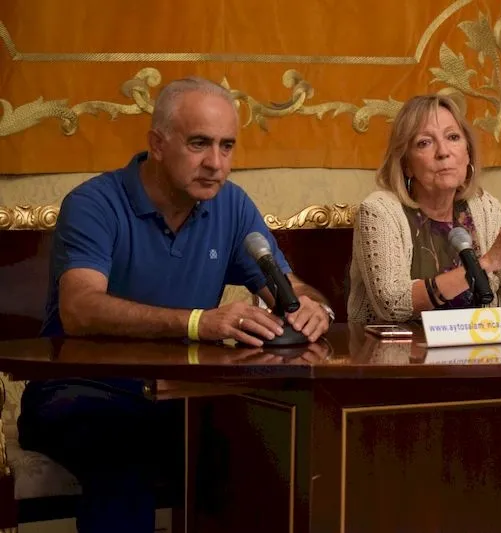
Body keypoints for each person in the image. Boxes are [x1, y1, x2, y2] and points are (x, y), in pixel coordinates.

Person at [17, 76, 334, 533]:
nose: (216, 164)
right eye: (200, 143)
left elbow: (288, 289)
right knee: (122, 454)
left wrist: (310, 308)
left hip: (182, 393)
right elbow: (80, 307)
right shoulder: (94, 203)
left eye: (227, 146)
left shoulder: (232, 205)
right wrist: (197, 323)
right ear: (158, 144)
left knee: (268, 445)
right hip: (80, 388)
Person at [347, 94, 501, 323]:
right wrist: (485, 264)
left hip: (476, 354)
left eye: (453, 137)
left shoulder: (484, 207)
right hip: (396, 354)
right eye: (425, 142)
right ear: (406, 165)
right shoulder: (379, 211)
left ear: (467, 154)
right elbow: (392, 304)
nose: (443, 152)